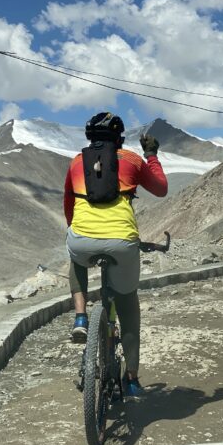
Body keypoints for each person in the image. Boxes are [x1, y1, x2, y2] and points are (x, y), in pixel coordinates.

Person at [63, 112, 167, 396]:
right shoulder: (132, 159)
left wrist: (82, 235)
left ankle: (81, 317)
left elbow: (69, 207)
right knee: (127, 304)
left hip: (82, 239)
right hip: (122, 241)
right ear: (120, 138)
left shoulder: (75, 162)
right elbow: (160, 189)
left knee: (74, 255)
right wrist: (152, 154)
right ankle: (131, 380)